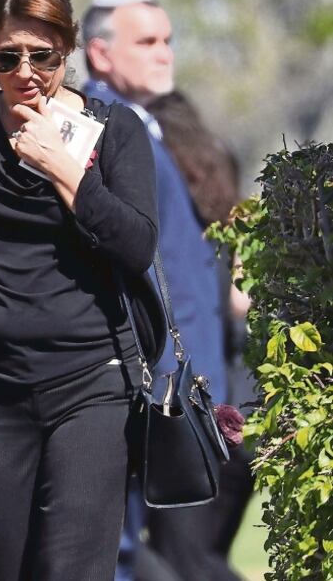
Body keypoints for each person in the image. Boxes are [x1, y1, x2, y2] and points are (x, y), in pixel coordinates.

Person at [0, 0, 159, 580]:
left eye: (43, 56)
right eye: (7, 58)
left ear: (68, 47)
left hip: (90, 387)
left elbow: (137, 245)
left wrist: (64, 169)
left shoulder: (113, 130)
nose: (26, 73)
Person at [80, 0, 228, 581]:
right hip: (149, 382)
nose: (164, 53)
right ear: (100, 53)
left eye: (167, 40)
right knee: (119, 551)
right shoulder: (98, 124)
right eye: (146, 42)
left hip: (182, 379)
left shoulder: (147, 125)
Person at [144, 90, 252, 581]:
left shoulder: (177, 219)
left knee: (184, 561)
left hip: (199, 412)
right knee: (199, 559)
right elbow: (239, 304)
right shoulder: (223, 212)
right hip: (240, 413)